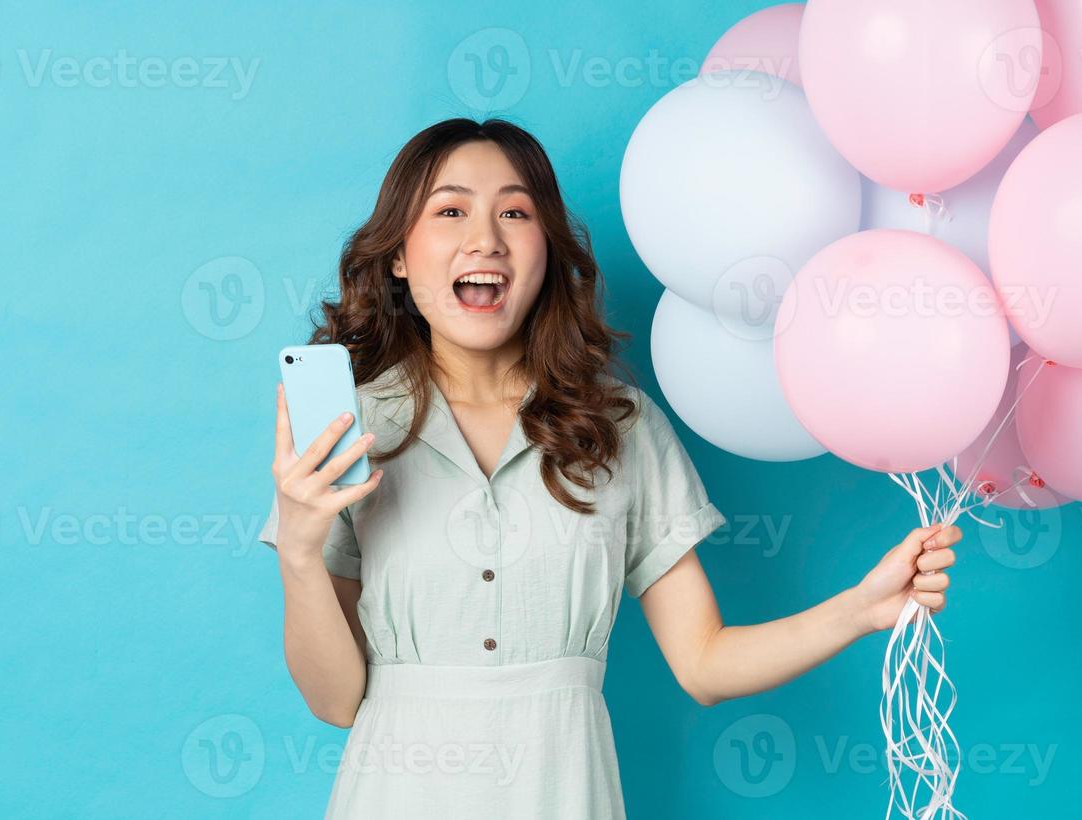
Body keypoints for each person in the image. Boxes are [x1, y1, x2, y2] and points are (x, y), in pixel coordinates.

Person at [257, 117, 961, 818]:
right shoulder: (349, 431)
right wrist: (298, 550)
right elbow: (335, 700)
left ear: (546, 248)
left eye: (514, 211)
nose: (485, 238)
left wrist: (862, 609)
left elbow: (705, 662)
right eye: (449, 211)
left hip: (564, 794)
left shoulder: (615, 425)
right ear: (399, 257)